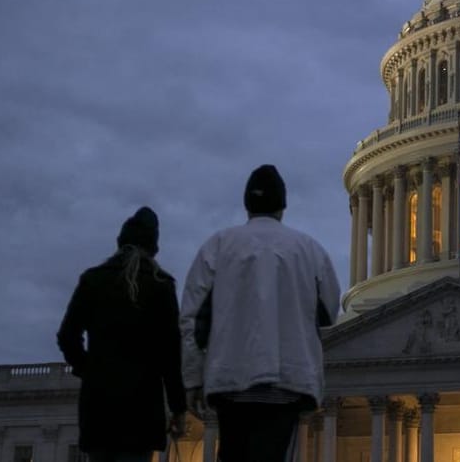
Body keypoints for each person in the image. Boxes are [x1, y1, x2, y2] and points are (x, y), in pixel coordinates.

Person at [179, 164, 342, 462]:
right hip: (286, 382)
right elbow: (330, 312)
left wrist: (191, 379)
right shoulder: (309, 250)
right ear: (282, 206)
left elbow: (190, 320)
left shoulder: (217, 246)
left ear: (247, 204)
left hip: (231, 381)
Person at [56, 207, 188, 462]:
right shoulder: (161, 285)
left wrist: (91, 370)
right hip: (141, 407)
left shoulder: (93, 280)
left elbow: (67, 336)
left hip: (99, 405)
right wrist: (179, 408)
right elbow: (171, 357)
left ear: (120, 243)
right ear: (153, 248)